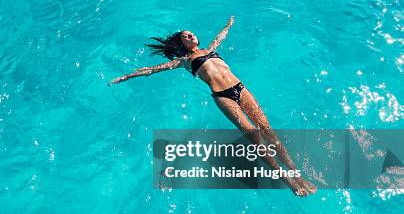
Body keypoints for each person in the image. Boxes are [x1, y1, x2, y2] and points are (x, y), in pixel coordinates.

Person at [110, 16, 317, 197]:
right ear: (182, 44)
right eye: (185, 36)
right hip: (223, 96)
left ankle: (296, 173)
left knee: (268, 131)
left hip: (240, 88)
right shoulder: (183, 61)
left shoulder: (211, 49)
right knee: (254, 136)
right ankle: (287, 180)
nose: (190, 36)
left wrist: (229, 24)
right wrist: (127, 76)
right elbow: (154, 69)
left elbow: (221, 36)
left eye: (191, 34)